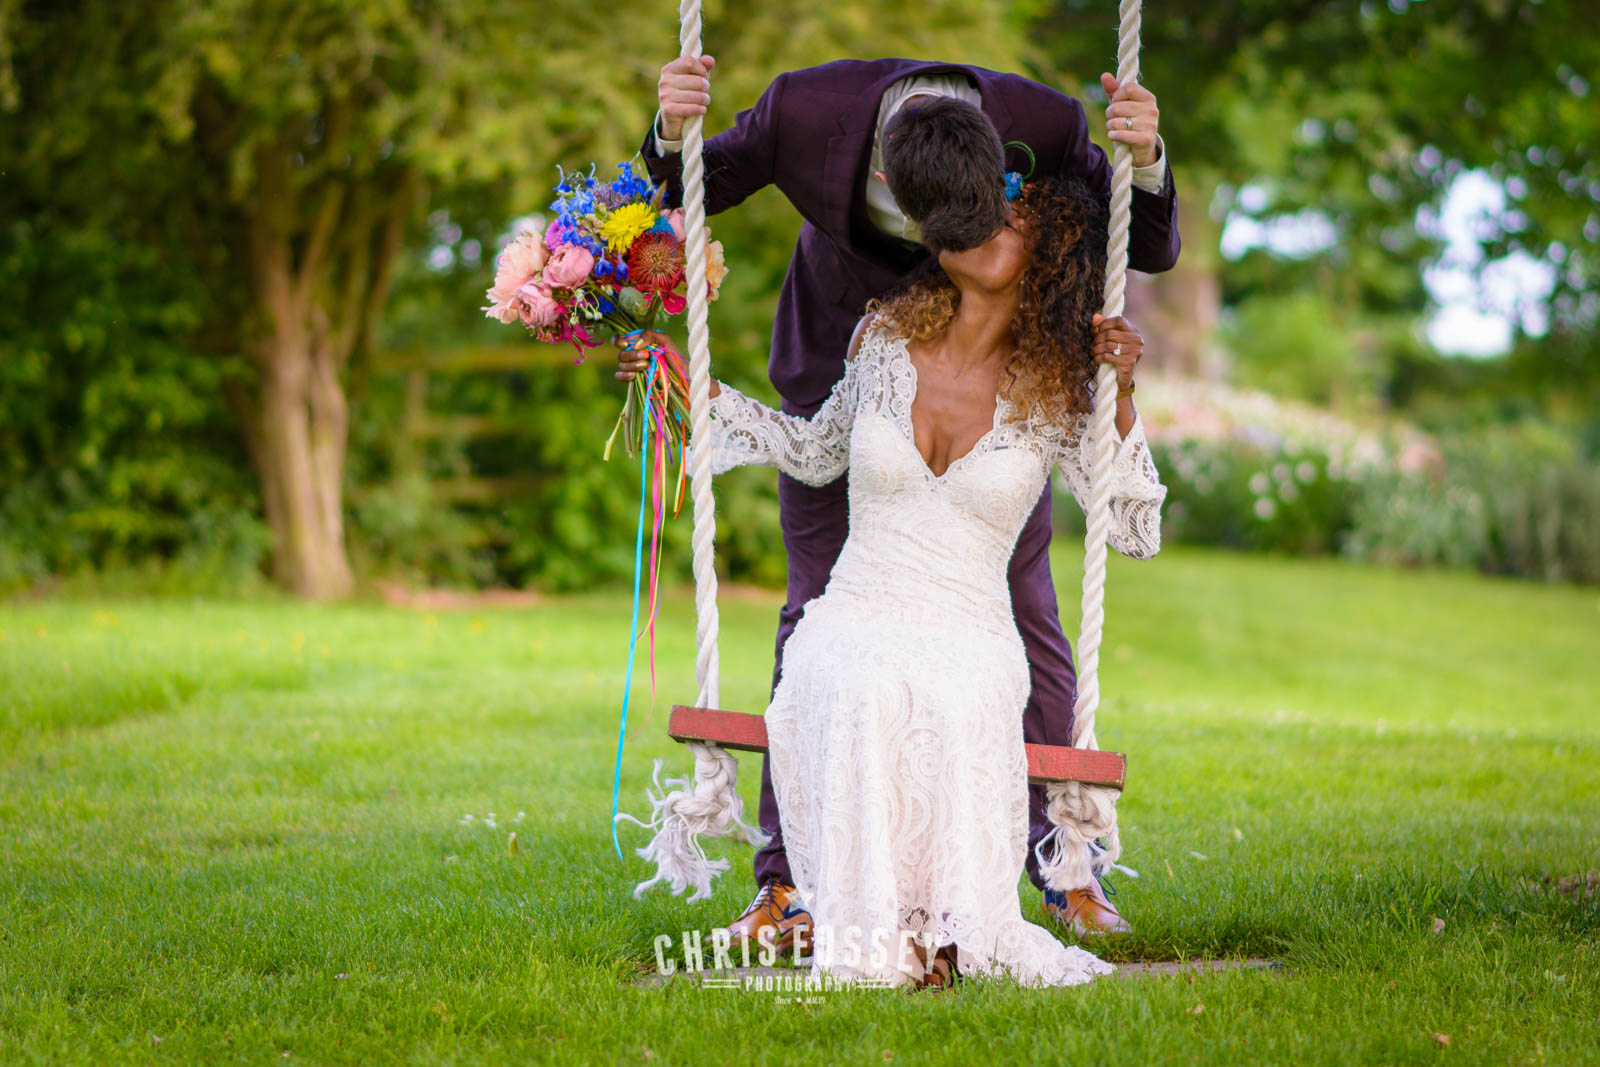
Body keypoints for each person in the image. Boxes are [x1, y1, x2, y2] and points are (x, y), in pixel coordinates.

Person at [629, 54, 1179, 947]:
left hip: (1010, 409)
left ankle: (1063, 863)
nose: (950, 251)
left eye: (994, 223)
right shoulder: (806, 115)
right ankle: (790, 881)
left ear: (1009, 183)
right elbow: (681, 188)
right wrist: (669, 127)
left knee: (1030, 610)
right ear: (890, 183)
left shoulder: (1045, 129)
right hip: (842, 371)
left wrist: (1145, 155)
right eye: (943, 234)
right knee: (815, 618)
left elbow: (1134, 239)